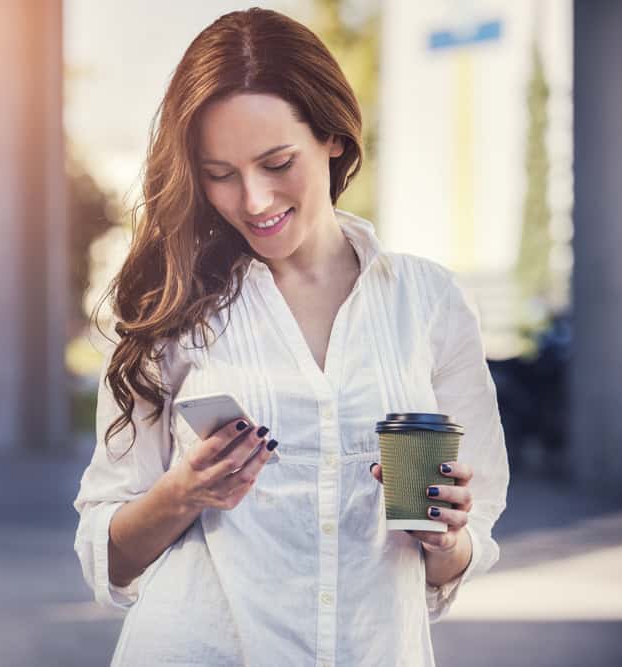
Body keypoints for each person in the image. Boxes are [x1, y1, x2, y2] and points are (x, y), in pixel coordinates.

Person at [73, 8, 509, 666]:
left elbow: (470, 539)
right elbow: (103, 550)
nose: (253, 199)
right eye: (219, 173)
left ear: (332, 136)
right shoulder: (172, 306)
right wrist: (180, 492)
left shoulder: (430, 303)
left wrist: (444, 540)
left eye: (277, 162)